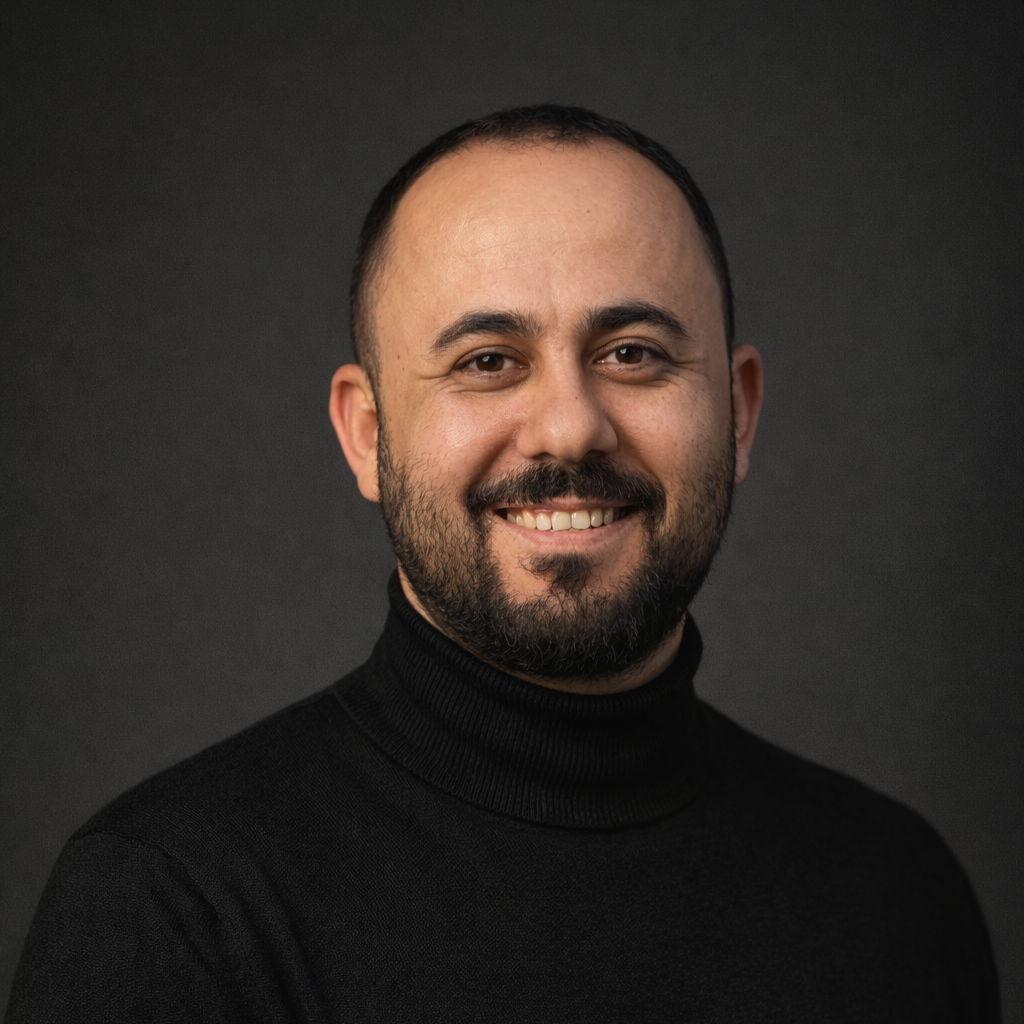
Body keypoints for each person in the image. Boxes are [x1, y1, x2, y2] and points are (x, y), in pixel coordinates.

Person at [6, 105, 999, 1023]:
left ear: (736, 412)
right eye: (487, 361)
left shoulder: (898, 897)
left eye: (634, 352)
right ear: (367, 434)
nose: (569, 425)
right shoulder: (172, 907)